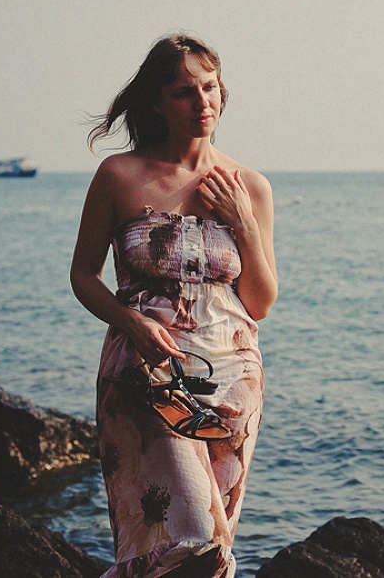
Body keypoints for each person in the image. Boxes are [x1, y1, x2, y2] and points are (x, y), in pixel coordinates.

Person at [70, 33, 277, 578]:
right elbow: (83, 275)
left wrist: (244, 223)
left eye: (210, 87)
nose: (202, 102)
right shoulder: (119, 176)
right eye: (185, 91)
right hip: (147, 376)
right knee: (190, 540)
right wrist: (129, 320)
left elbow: (259, 303)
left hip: (233, 383)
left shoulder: (250, 186)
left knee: (210, 553)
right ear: (158, 102)